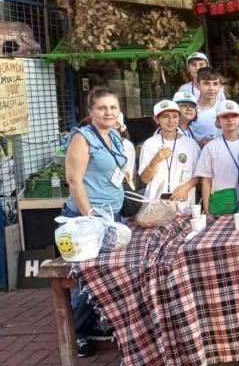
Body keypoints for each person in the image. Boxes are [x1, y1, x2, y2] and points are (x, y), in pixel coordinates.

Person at [62, 87, 127, 357]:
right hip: (86, 220)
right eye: (102, 108)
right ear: (91, 112)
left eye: (112, 107)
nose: (108, 112)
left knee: (105, 275)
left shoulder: (113, 135)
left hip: (111, 217)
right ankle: (76, 333)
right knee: (84, 277)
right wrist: (89, 216)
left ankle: (93, 324)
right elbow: (74, 181)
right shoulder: (82, 137)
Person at [138, 100, 200, 209]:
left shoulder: (190, 144)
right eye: (165, 117)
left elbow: (200, 173)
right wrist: (156, 160)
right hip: (156, 202)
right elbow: (145, 179)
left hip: (183, 202)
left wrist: (187, 186)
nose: (171, 120)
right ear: (156, 119)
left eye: (175, 116)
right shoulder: (150, 144)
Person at [195, 101, 239, 215]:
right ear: (218, 121)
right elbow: (206, 180)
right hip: (222, 203)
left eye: (234, 116)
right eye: (225, 117)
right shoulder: (211, 147)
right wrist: (206, 209)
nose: (230, 120)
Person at [189, 67, 223, 146]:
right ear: (197, 85)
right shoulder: (190, 111)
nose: (211, 88)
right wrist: (198, 144)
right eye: (206, 83)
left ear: (219, 86)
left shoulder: (224, 110)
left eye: (215, 84)